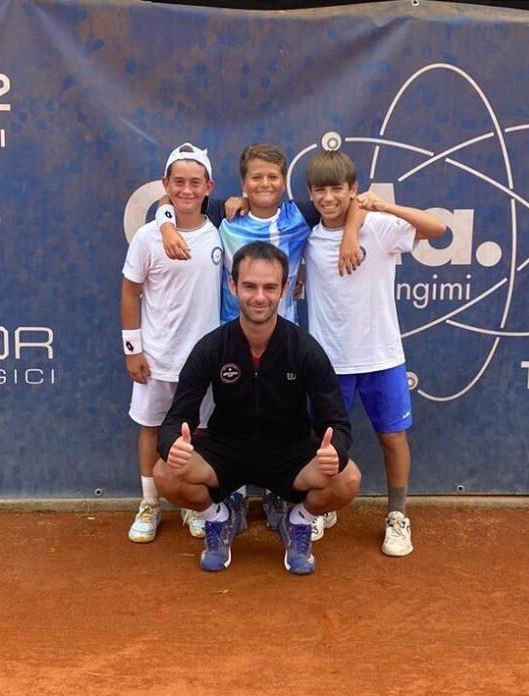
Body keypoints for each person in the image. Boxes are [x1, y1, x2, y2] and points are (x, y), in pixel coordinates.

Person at [155, 143, 363, 531]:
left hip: (283, 340)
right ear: (242, 183)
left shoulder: (301, 212)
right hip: (232, 338)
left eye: (273, 177)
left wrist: (351, 233)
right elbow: (174, 202)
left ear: (284, 183)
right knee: (228, 413)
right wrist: (166, 224)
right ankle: (226, 499)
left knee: (288, 417)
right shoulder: (222, 212)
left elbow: (354, 200)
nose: (265, 183)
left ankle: (285, 502)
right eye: (256, 177)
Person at [154, 241, 361, 575]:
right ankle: (218, 519)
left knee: (348, 478)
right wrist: (171, 445)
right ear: (233, 286)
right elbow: (176, 418)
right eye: (249, 286)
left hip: (289, 454)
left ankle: (298, 521)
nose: (259, 297)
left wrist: (334, 450)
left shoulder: (305, 349)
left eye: (269, 287)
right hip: (227, 452)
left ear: (285, 289)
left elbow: (337, 422)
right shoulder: (212, 347)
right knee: (165, 472)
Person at [302, 149, 446, 556]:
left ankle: (397, 516)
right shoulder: (309, 238)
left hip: (382, 357)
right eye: (319, 190)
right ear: (311, 194)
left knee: (392, 438)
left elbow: (437, 228)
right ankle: (322, 507)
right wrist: (348, 228)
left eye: (337, 189)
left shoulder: (380, 226)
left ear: (353, 190)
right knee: (323, 441)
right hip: (328, 362)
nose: (328, 198)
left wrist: (379, 205)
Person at [120, 143, 222, 543]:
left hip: (204, 365)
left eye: (195, 182)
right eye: (178, 181)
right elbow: (130, 293)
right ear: (166, 184)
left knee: (198, 433)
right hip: (156, 359)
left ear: (208, 186)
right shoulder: (148, 237)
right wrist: (134, 351)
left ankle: (193, 504)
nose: (186, 189)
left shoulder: (219, 233)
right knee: (150, 428)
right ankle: (149, 503)